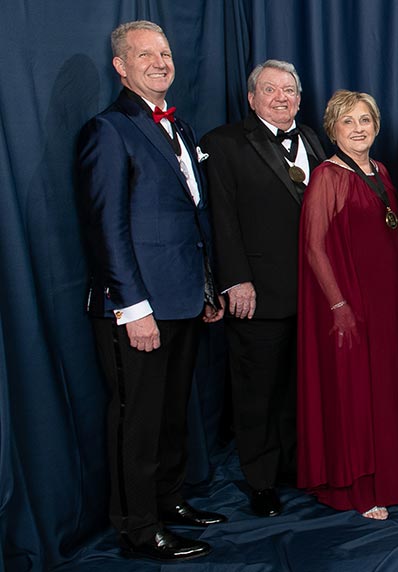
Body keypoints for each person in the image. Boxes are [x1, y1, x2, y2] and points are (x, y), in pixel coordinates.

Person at [76, 20, 226, 562]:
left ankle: (168, 498)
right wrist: (132, 308)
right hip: (137, 308)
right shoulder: (108, 130)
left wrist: (207, 287)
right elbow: (105, 228)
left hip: (184, 298)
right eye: (146, 55)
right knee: (135, 418)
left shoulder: (180, 129)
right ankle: (138, 528)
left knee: (170, 412)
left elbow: (191, 219)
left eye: (165, 53)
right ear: (121, 66)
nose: (160, 62)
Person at [202, 59, 326, 517]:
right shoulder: (224, 143)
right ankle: (261, 480)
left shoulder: (312, 138)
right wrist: (236, 279)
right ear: (252, 97)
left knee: (300, 386)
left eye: (290, 90)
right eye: (271, 90)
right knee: (258, 390)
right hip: (257, 292)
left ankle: (295, 465)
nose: (282, 98)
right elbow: (222, 219)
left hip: (312, 294)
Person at [295, 90, 398, 520]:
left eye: (365, 119)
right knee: (356, 391)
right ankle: (361, 487)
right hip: (351, 300)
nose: (358, 128)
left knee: (385, 387)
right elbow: (313, 248)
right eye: (348, 122)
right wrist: (338, 305)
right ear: (333, 129)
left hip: (387, 302)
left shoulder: (382, 170)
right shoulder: (327, 176)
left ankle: (392, 475)